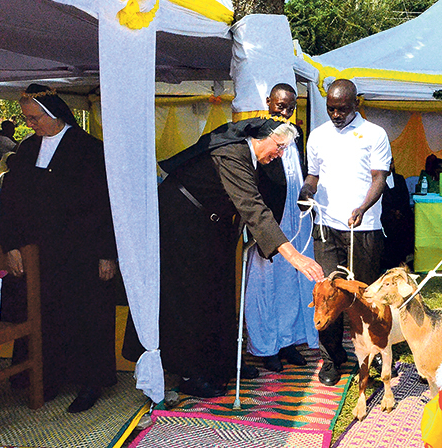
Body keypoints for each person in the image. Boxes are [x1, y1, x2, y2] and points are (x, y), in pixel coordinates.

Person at [136, 116, 323, 398]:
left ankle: (222, 363)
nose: (280, 154)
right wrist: (294, 256)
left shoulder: (254, 158)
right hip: (181, 223)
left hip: (211, 225)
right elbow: (253, 207)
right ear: (260, 138)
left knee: (220, 295)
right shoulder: (232, 154)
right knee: (191, 299)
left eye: (285, 149)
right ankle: (190, 373)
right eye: (279, 146)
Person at [0, 83, 119, 413]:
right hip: (41, 254)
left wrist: (107, 252)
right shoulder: (27, 149)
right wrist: (11, 245)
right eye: (27, 118)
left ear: (53, 114)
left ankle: (90, 382)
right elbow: (10, 201)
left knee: (85, 317)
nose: (29, 124)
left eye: (34, 118)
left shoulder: (89, 149)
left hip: (83, 252)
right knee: (46, 316)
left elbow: (107, 204)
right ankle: (48, 377)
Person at [300, 78, 392, 386]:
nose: (336, 115)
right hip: (326, 227)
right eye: (331, 109)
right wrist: (306, 191)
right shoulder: (318, 135)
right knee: (327, 295)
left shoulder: (375, 134)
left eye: (342, 109)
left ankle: (373, 351)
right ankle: (331, 358)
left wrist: (363, 207)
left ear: (356, 104)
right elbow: (313, 176)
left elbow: (379, 178)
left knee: (364, 296)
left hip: (363, 228)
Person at [243, 84, 317, 373]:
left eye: (289, 107)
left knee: (291, 282)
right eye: (279, 105)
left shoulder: (296, 135)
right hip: (269, 221)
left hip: (296, 219)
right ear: (268, 102)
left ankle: (287, 341)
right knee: (265, 285)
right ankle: (266, 347)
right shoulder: (258, 133)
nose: (284, 112)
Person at [381, 159, 414, 269]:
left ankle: (405, 258)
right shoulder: (378, 180)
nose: (390, 166)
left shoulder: (399, 178)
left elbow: (405, 197)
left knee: (409, 223)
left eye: (391, 163)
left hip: (402, 212)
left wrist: (400, 211)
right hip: (385, 214)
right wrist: (392, 212)